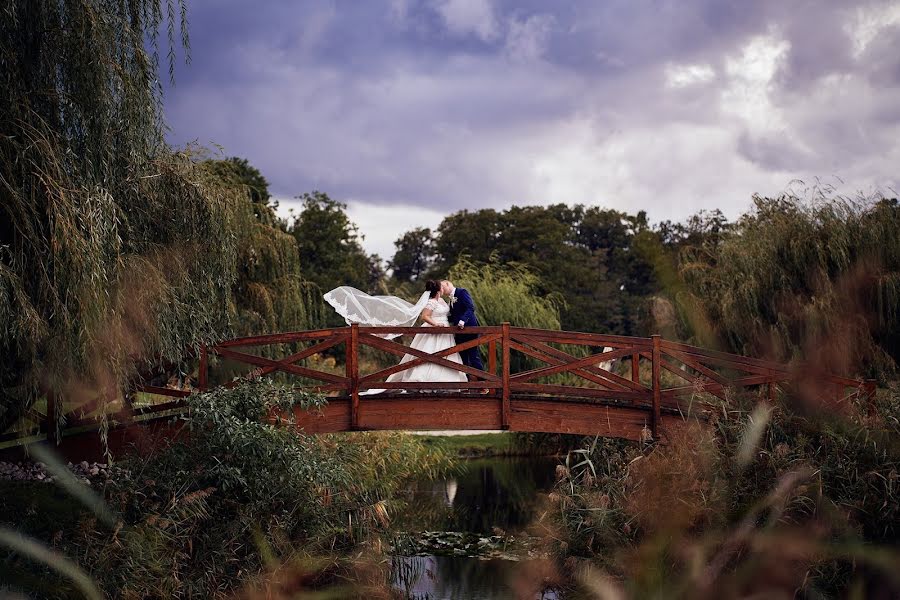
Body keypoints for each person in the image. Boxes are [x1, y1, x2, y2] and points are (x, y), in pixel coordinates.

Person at [323, 281, 466, 392]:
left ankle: (449, 382)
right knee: (429, 355)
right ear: (439, 290)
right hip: (434, 331)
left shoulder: (442, 302)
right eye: (441, 286)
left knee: (446, 355)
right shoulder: (431, 302)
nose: (443, 288)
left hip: (445, 332)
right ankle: (426, 381)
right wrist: (435, 324)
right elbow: (424, 316)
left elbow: (448, 313)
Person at [441, 280, 489, 390]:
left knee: (474, 357)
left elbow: (470, 308)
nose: (442, 290)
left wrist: (463, 320)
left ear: (448, 284)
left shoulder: (462, 292)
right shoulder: (450, 300)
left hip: (470, 329)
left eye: (443, 287)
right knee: (462, 359)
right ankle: (466, 386)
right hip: (460, 332)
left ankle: (484, 385)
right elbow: (453, 317)